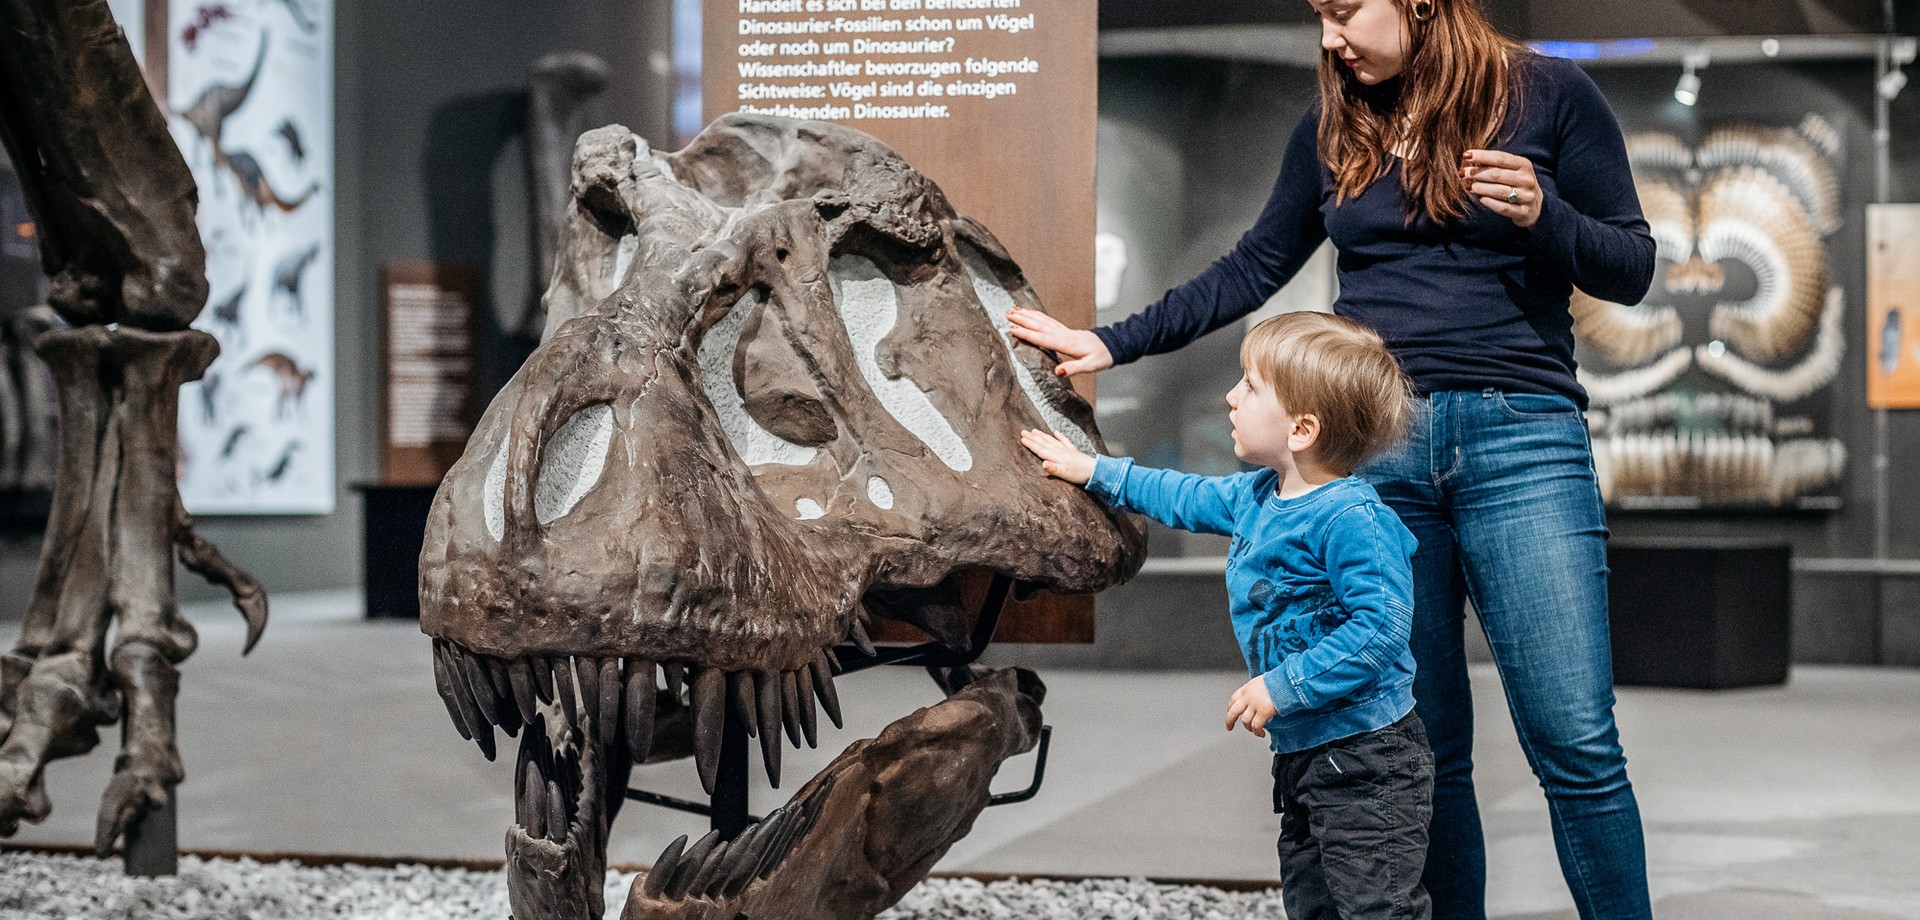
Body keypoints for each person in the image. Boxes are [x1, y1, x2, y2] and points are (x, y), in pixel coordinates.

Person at [1005, 0, 1658, 918]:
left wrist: (1546, 215)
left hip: (1523, 439)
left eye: (1346, 10)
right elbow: (1252, 264)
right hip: (1379, 452)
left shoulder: (1549, 93)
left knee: (1576, 739)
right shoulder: (1331, 122)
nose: (1329, 36)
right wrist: (1115, 342)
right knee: (1423, 744)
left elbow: (1630, 265)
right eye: (1318, 13)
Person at [1024, 311, 1433, 920]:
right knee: (1313, 902)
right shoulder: (1256, 497)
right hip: (1305, 755)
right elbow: (1181, 495)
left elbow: (1378, 629)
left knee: (1377, 908)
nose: (1230, 396)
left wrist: (1283, 684)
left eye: (1249, 385)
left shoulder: (1352, 519)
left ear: (1302, 428)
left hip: (1368, 759)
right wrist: (1095, 472)